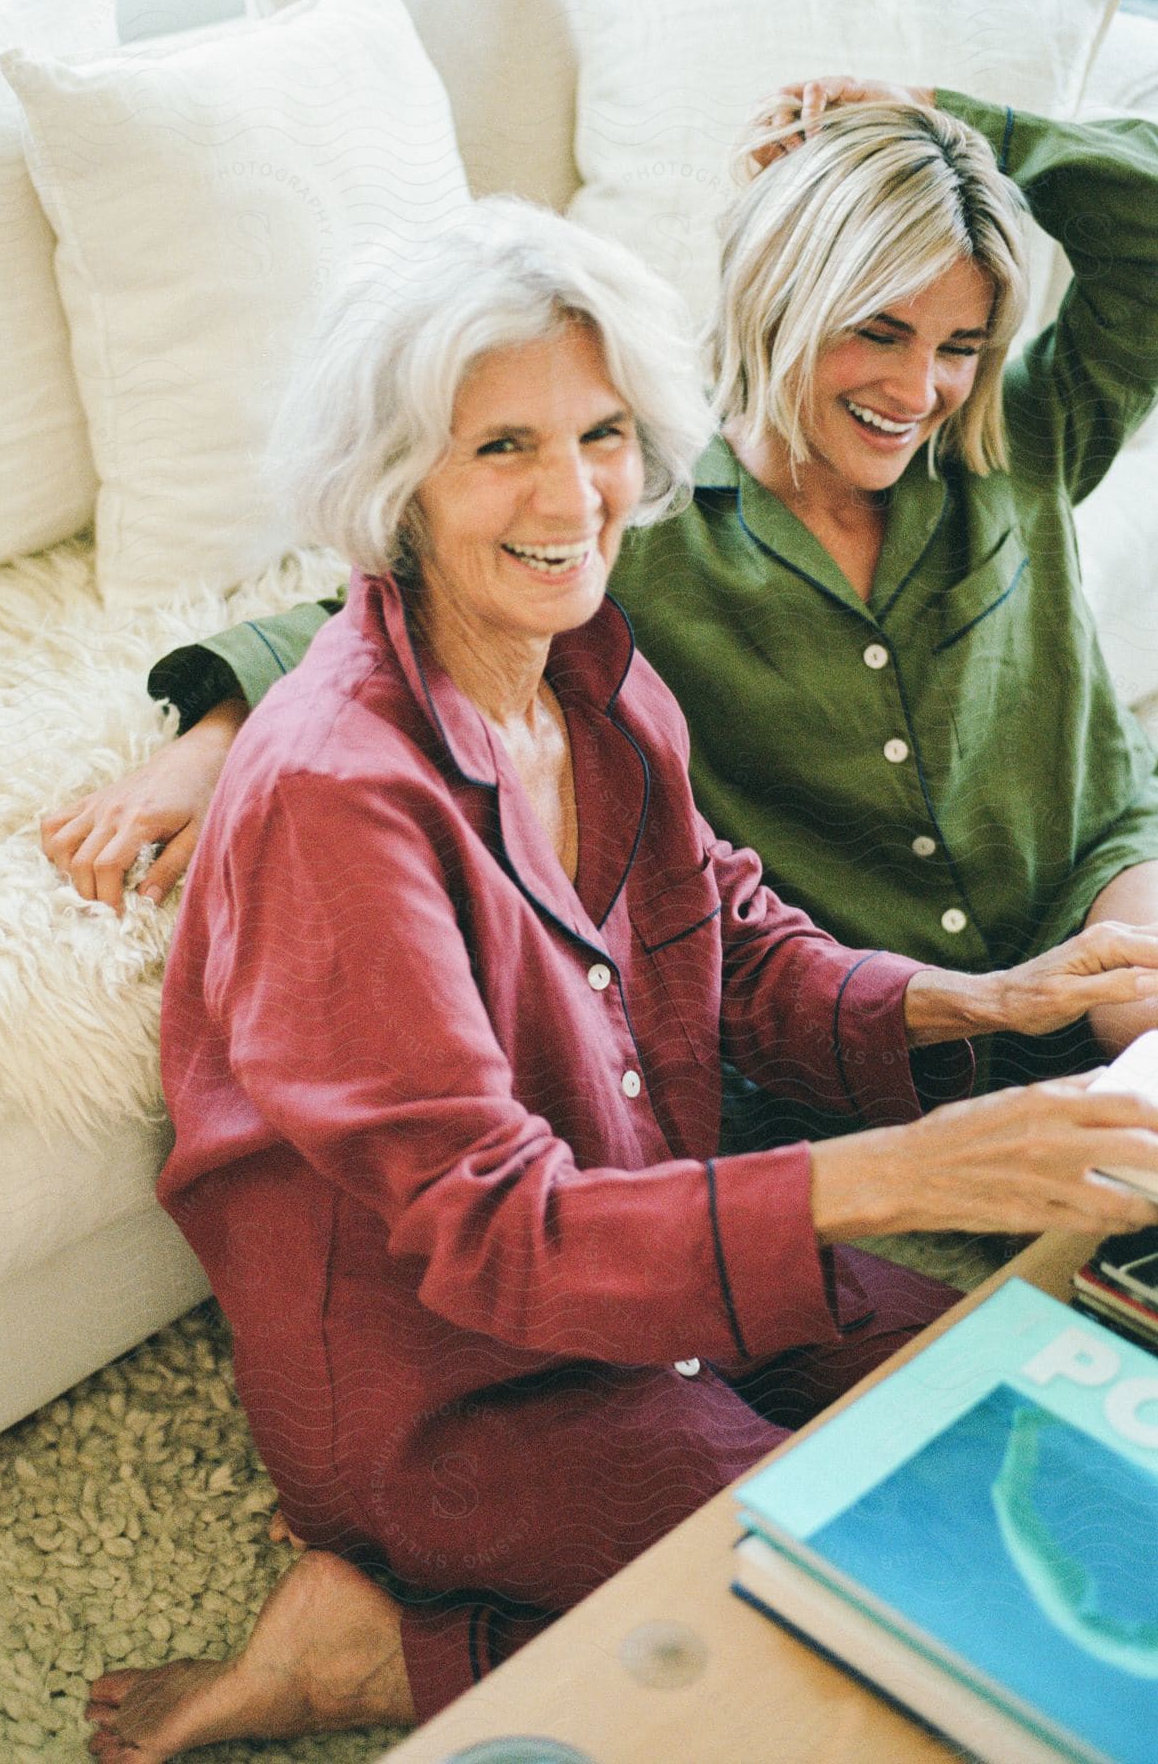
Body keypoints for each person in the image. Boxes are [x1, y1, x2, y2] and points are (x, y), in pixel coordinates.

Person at [82, 190, 1158, 1763]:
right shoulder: (336, 793)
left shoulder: (591, 670)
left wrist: (987, 1001)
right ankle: (363, 1654)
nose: (574, 493)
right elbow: (487, 1233)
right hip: (455, 1374)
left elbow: (725, 934)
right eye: (499, 446)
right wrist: (906, 1167)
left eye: (598, 433)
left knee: (1045, 1443)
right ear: (396, 485)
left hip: (664, 1236)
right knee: (889, 1613)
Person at [44, 80, 1158, 1124]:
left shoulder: (1023, 436)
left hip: (1091, 883)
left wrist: (951, 135)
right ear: (787, 296)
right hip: (879, 991)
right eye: (877, 331)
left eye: (956, 347)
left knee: (1139, 1009)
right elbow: (404, 604)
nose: (917, 390)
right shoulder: (638, 524)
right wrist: (213, 736)